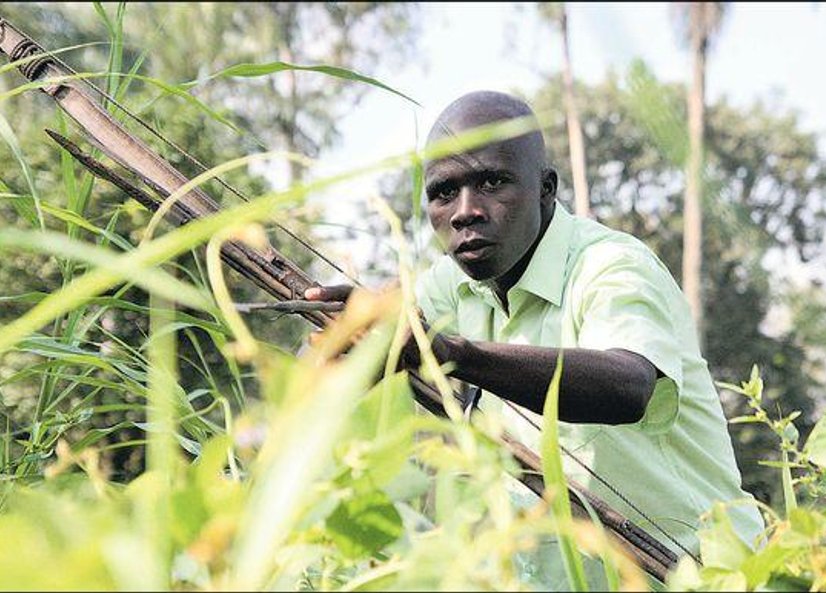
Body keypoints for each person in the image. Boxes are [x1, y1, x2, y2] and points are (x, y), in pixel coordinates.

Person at [305, 90, 765, 587]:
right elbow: (368, 345)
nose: (466, 211)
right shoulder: (451, 285)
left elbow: (627, 386)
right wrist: (350, 334)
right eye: (443, 193)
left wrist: (452, 355)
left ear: (546, 188)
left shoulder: (611, 266)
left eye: (492, 182)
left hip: (699, 577)